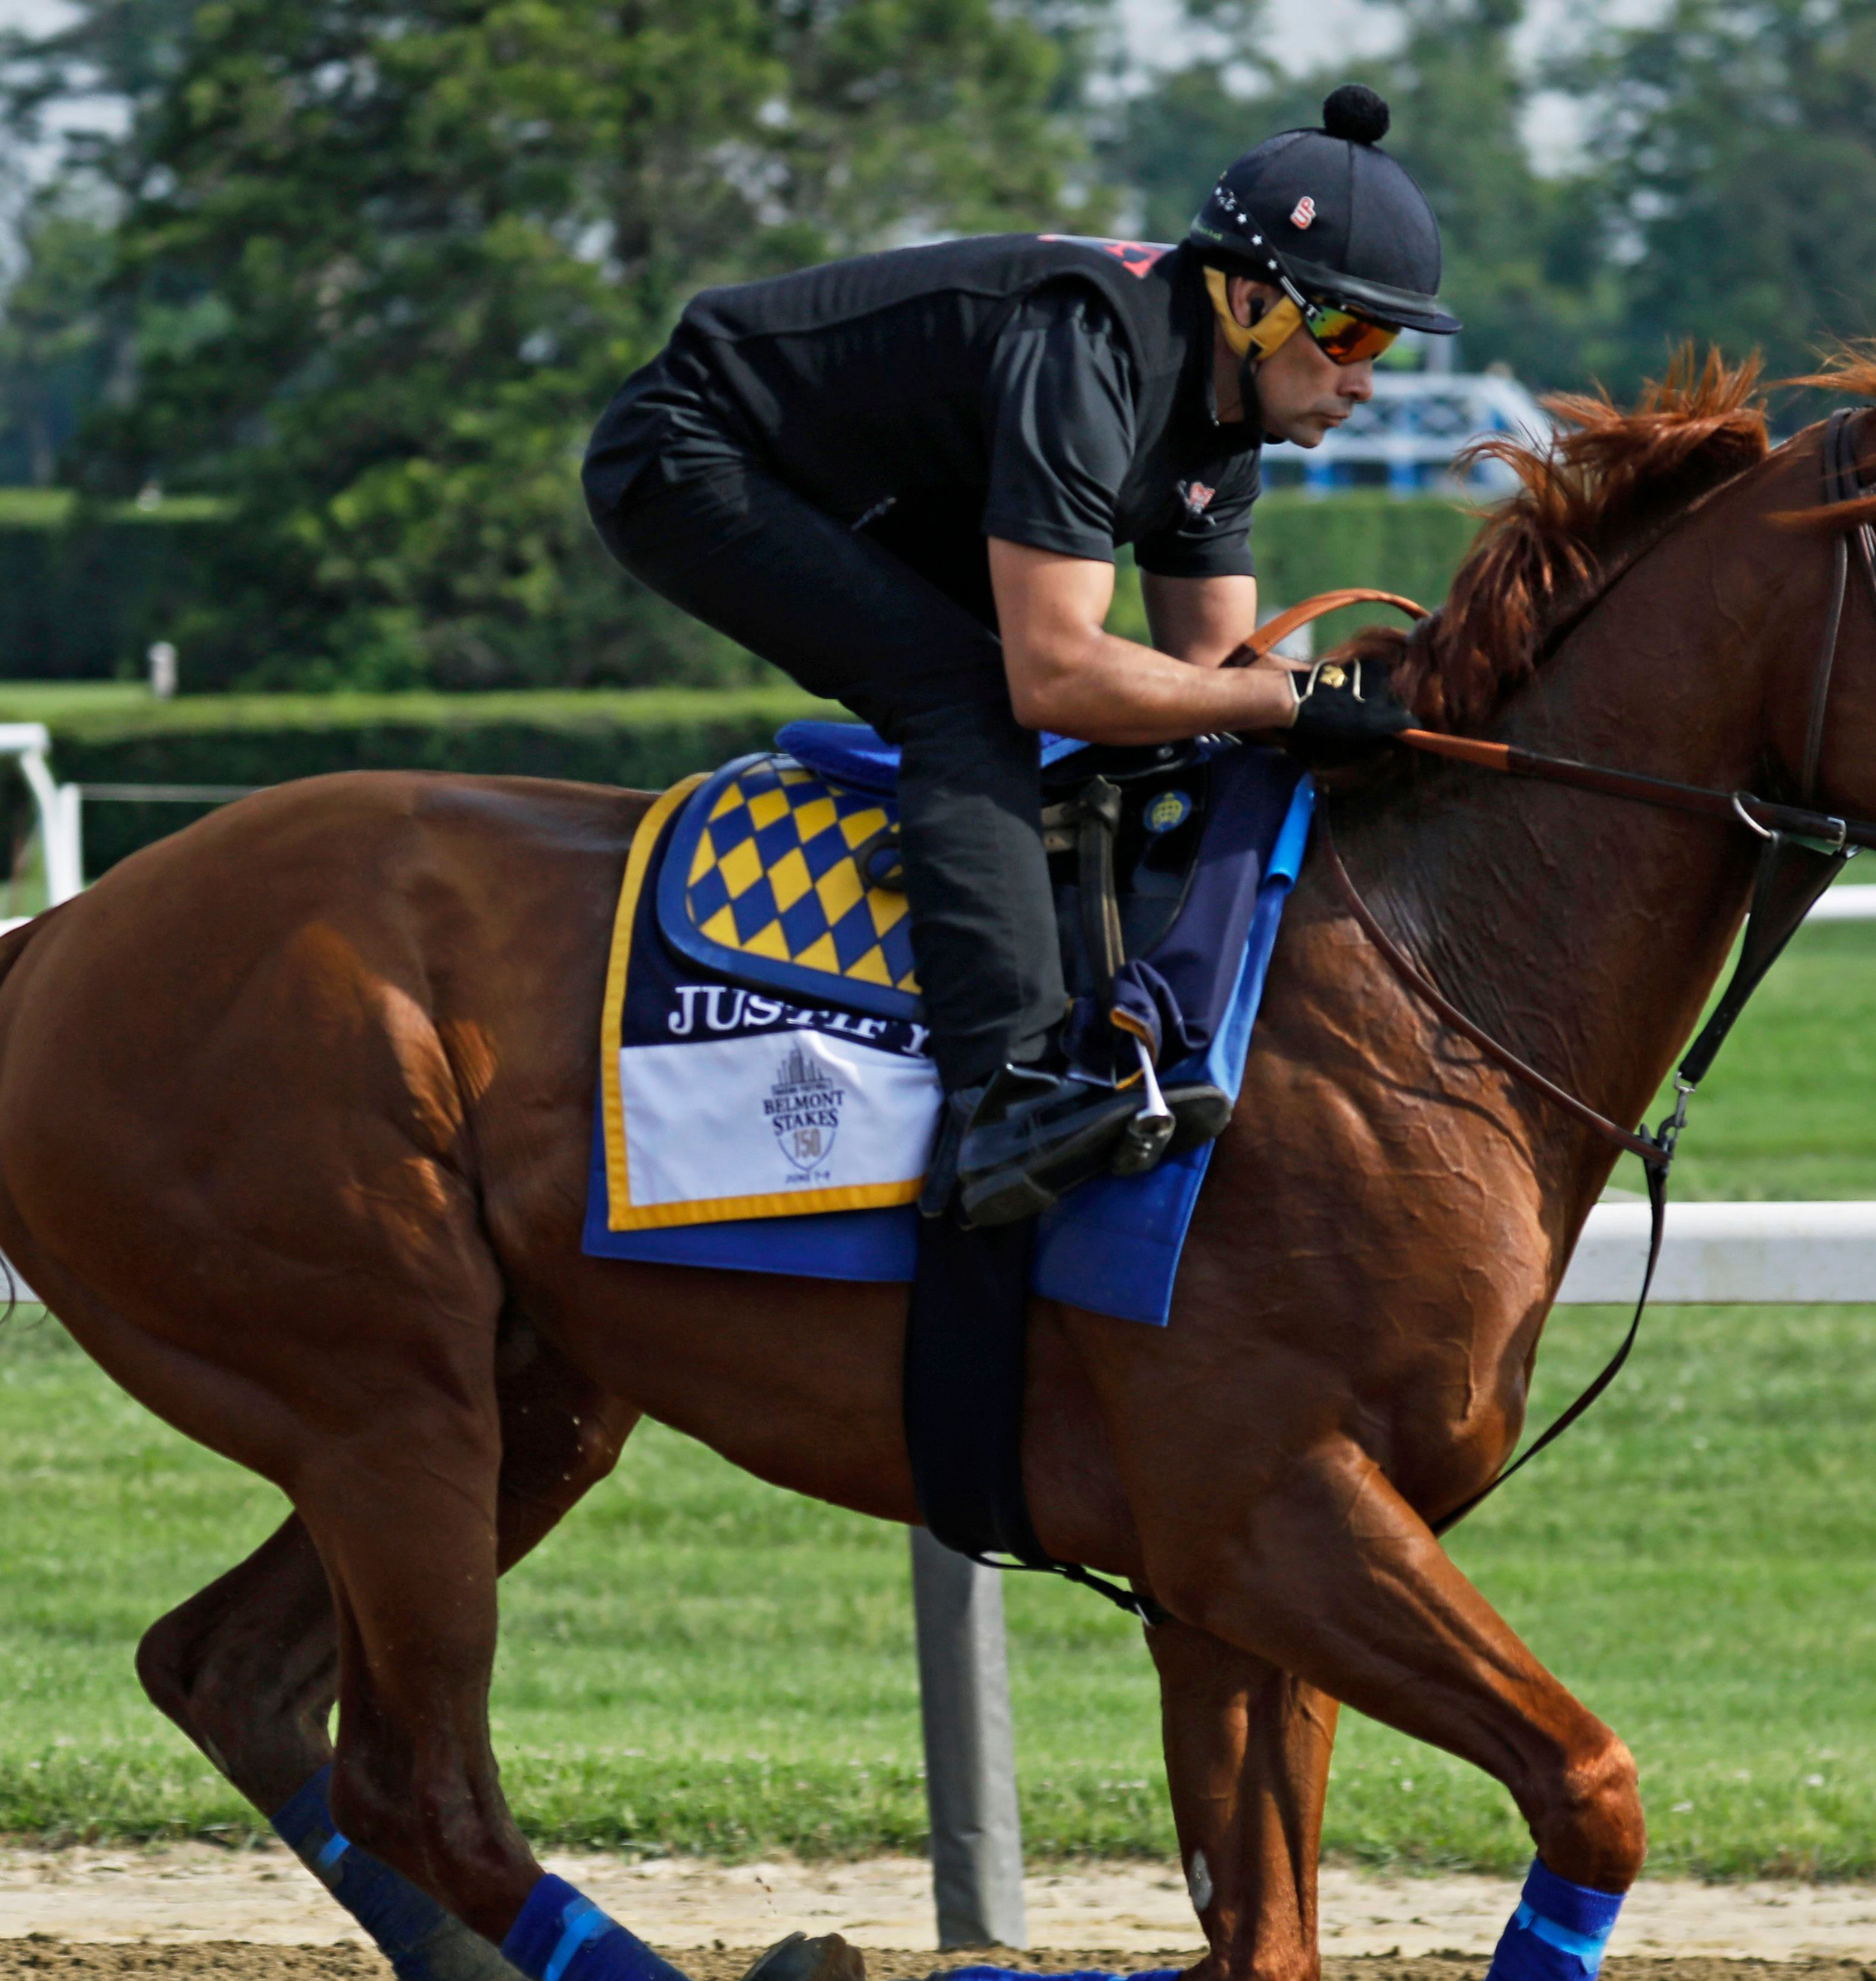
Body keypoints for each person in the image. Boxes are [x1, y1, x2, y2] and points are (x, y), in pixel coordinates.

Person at [584, 85, 1454, 1229]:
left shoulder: (1226, 419)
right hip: (692, 450)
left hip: (859, 483)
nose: (1364, 380)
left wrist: (1348, 702)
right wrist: (1288, 700)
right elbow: (1060, 675)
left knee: (1144, 707)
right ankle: (1006, 1091)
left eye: (1382, 342)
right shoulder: (1091, 347)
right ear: (1253, 299)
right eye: (1347, 333)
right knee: (971, 695)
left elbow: (1213, 674)